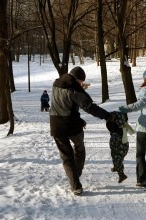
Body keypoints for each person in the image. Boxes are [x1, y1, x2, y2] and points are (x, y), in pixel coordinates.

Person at [49, 66, 115, 196]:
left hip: (56, 125)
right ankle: (76, 176)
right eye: (81, 82)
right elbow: (89, 107)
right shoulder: (75, 88)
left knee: (66, 157)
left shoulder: (56, 83)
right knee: (80, 150)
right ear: (78, 79)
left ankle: (75, 184)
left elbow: (66, 103)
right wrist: (108, 116)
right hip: (71, 126)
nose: (81, 84)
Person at [106, 111, 135, 183]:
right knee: (118, 157)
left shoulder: (113, 127)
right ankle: (116, 166)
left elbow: (108, 125)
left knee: (116, 158)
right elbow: (132, 131)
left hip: (118, 146)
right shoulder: (124, 124)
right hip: (125, 146)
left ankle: (121, 175)